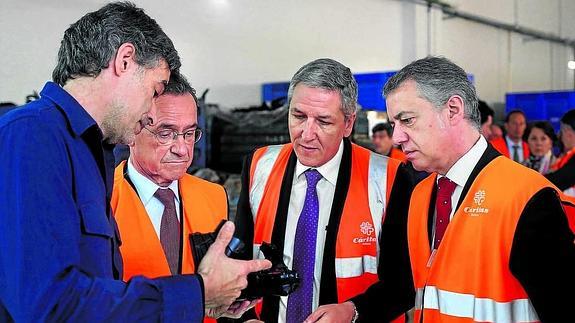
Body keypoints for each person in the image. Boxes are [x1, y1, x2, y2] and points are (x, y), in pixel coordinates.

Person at [0, 3, 269, 322]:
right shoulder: (32, 135)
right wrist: (197, 293)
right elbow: (50, 306)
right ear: (124, 61)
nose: (150, 109)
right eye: (155, 89)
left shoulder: (88, 150)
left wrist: (207, 303)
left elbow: (95, 290)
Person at [379, 56, 575, 322]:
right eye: (394, 124)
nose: (397, 137)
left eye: (407, 120)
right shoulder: (420, 194)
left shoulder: (527, 198)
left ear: (453, 109)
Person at [234, 58, 411, 323]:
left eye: (323, 121)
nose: (306, 133)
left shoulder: (389, 178)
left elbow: (403, 284)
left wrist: (353, 310)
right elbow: (237, 262)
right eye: (298, 116)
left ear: (348, 124)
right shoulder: (259, 166)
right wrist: (244, 318)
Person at [111, 72, 248, 321]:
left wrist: (227, 303)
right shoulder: (102, 201)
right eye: (166, 133)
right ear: (132, 129)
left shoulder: (213, 196)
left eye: (189, 134)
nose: (182, 149)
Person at [546, 109, 575, 197]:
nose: (559, 135)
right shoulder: (564, 156)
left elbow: (557, 181)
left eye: (561, 131)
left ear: (569, 133)